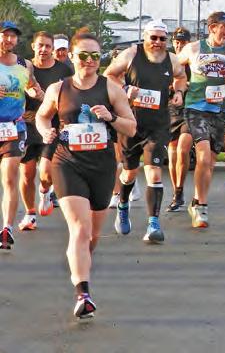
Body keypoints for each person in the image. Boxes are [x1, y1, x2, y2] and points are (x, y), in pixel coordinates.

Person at [36, 32, 137, 318]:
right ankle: (83, 293)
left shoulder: (111, 89)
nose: (90, 61)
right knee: (79, 229)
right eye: (83, 55)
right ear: (72, 56)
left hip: (102, 167)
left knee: (91, 235)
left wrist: (111, 117)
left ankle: (79, 265)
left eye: (95, 56)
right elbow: (43, 116)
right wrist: (45, 131)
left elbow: (131, 127)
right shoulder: (59, 89)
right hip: (67, 163)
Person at [103, 20, 188, 243]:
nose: (158, 42)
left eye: (162, 39)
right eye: (153, 38)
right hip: (131, 122)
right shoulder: (132, 54)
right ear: (145, 37)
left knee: (154, 172)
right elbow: (109, 75)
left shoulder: (171, 59)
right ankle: (123, 205)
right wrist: (125, 88)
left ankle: (153, 224)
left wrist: (179, 92)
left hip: (158, 124)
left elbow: (181, 77)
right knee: (129, 173)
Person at [177, 11, 225, 228]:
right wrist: (179, 86)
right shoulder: (194, 49)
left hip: (220, 111)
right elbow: (173, 67)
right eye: (224, 26)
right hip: (196, 108)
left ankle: (196, 201)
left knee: (209, 161)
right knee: (202, 155)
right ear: (212, 27)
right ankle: (202, 206)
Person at [18, 31, 73, 231]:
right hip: (27, 125)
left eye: (48, 46)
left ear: (52, 49)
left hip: (52, 126)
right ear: (33, 46)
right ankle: (30, 214)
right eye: (40, 45)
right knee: (27, 173)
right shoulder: (24, 68)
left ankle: (45, 190)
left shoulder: (63, 70)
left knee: (46, 173)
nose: (43, 49)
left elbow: (71, 96)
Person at [0, 21, 40, 248]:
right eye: (4, 35)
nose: (9, 40)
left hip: (14, 128)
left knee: (9, 177)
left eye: (13, 36)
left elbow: (32, 86)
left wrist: (37, 92)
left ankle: (6, 228)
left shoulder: (25, 64)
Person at [166, 26, 193, 212]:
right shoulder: (168, 62)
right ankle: (177, 192)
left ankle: (179, 190)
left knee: (183, 150)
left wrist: (188, 86)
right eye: (177, 42)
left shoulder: (194, 63)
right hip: (171, 110)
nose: (179, 45)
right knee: (172, 154)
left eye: (183, 42)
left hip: (191, 110)